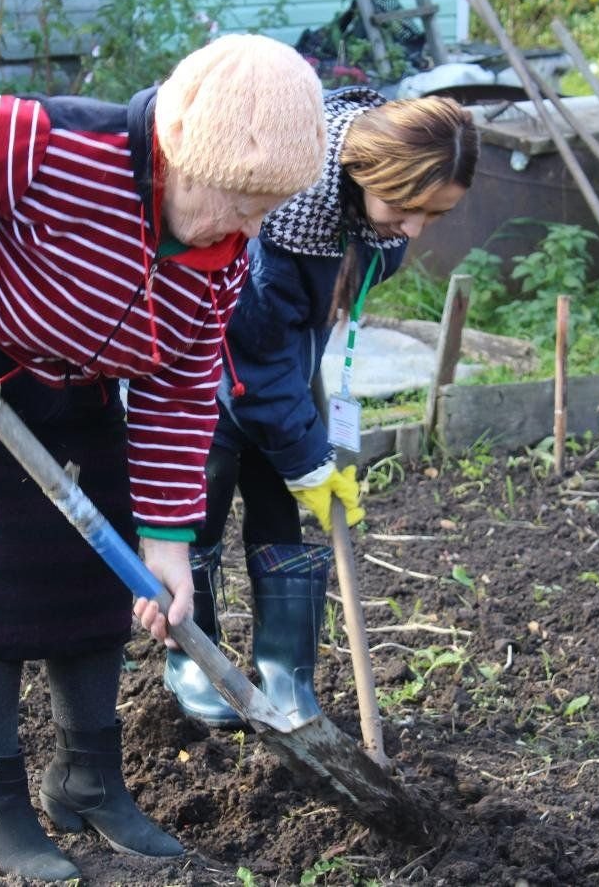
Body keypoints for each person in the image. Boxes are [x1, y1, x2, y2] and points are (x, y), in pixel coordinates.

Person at [0, 34, 326, 881]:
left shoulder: (220, 257)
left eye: (269, 205)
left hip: (69, 371)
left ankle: (87, 776)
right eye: (242, 197)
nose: (252, 226)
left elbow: (182, 387)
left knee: (96, 564)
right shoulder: (63, 149)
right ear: (182, 150)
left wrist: (168, 546)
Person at [157, 88, 479, 729]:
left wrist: (311, 449)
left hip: (279, 372)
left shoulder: (369, 206)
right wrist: (310, 460)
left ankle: (287, 674)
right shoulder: (282, 225)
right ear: (366, 175)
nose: (415, 229)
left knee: (280, 512)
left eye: (433, 216)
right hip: (207, 379)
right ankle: (195, 658)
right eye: (408, 208)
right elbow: (252, 362)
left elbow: (295, 343)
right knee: (200, 512)